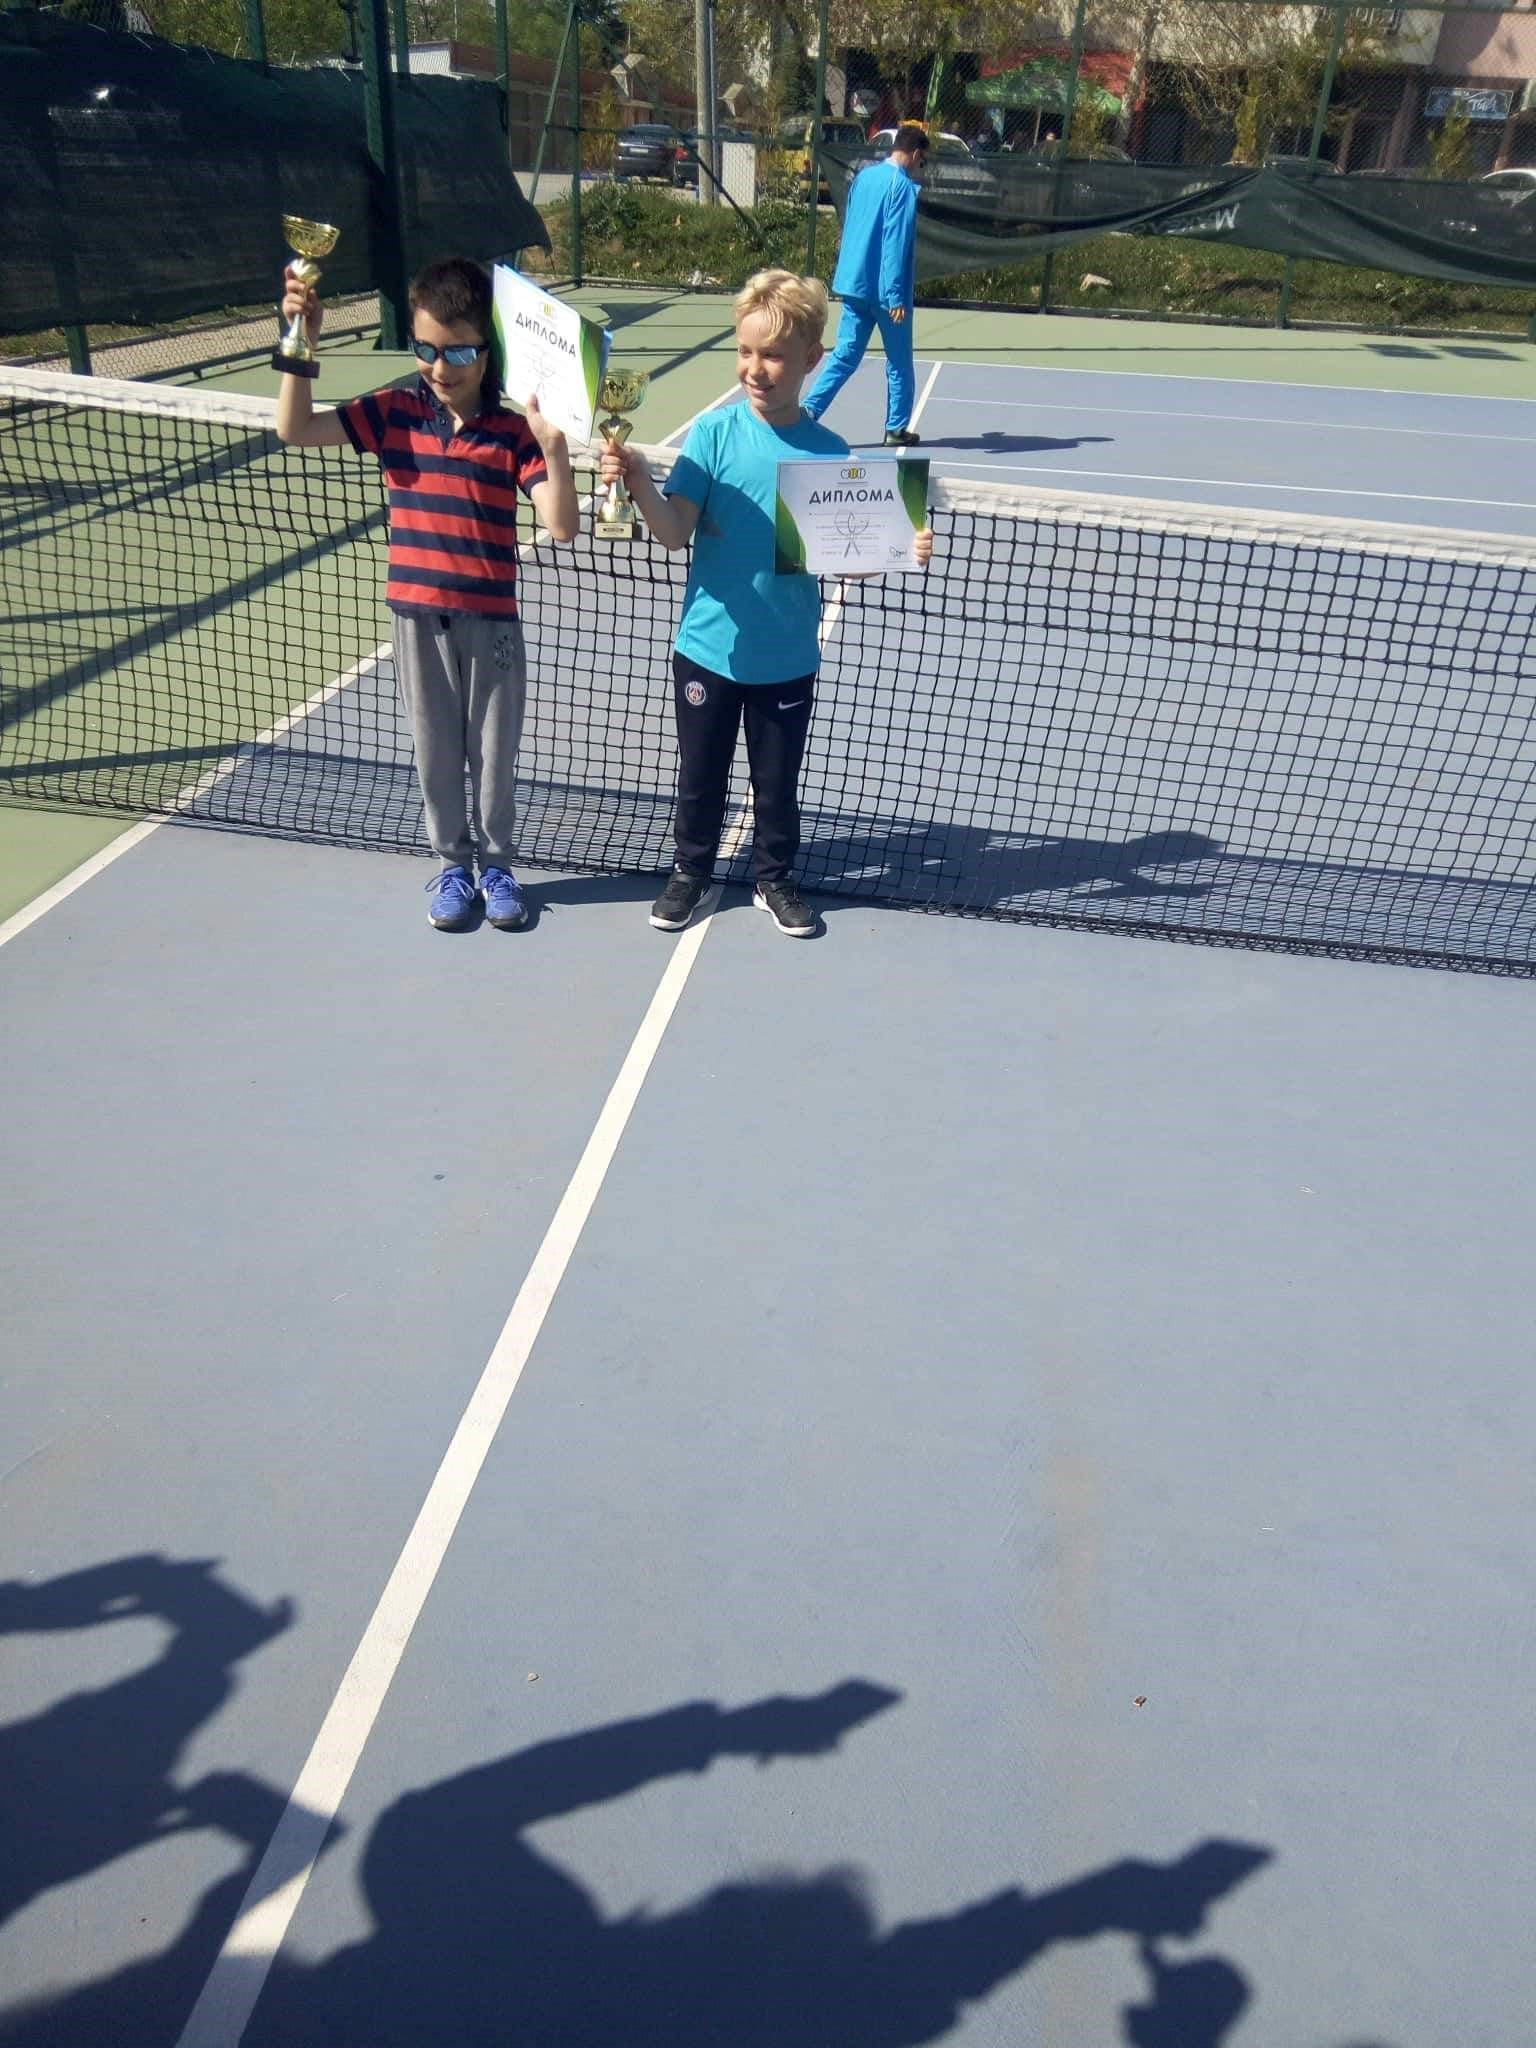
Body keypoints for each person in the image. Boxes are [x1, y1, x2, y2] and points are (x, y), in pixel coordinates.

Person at [599, 268, 933, 939]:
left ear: (811, 359)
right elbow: (674, 532)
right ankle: (691, 871)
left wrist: (900, 545)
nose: (756, 368)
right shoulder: (713, 435)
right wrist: (637, 481)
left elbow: (845, 557)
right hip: (707, 650)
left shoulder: (829, 453)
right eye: (746, 351)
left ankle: (773, 877)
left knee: (776, 783)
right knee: (701, 776)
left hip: (786, 656)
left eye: (774, 355)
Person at [275, 257, 578, 932]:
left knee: (493, 756)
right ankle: (452, 867)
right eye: (427, 350)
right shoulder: (392, 413)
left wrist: (554, 448)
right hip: (416, 621)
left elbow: (560, 525)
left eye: (460, 351)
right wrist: (301, 344)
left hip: (492, 624)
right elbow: (294, 430)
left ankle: (497, 866)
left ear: (488, 350)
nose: (441, 367)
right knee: (435, 752)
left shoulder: (513, 434)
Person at [803, 121, 928, 447]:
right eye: (922, 161)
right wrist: (896, 296)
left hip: (854, 284)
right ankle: (896, 429)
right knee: (899, 362)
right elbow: (894, 244)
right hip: (886, 294)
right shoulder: (902, 187)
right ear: (916, 154)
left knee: (844, 356)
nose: (920, 167)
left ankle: (808, 412)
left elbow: (853, 224)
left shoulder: (864, 177)